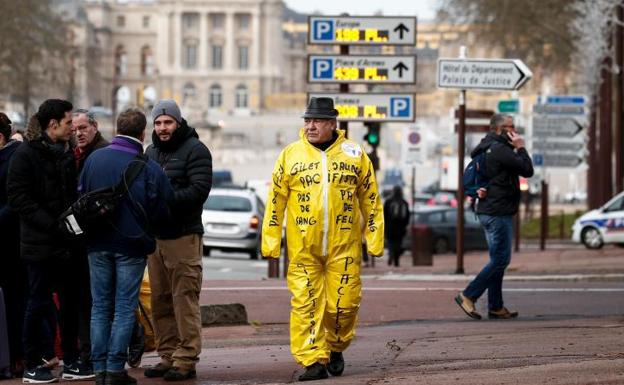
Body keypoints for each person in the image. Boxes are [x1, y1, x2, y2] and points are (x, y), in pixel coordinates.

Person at [261, 97, 384, 381]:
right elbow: (276, 200)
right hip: (304, 249)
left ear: (332, 124)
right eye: (307, 120)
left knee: (345, 304)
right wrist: (270, 240)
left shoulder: (354, 155)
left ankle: (336, 345)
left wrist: (374, 237)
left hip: (345, 247)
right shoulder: (291, 155)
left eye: (316, 121)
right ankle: (313, 360)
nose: (310, 126)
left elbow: (371, 199)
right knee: (306, 304)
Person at [79, 108, 172, 385]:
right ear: (143, 133)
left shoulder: (94, 159)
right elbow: (163, 207)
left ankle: (98, 369)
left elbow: (81, 195)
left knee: (99, 307)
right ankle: (115, 369)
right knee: (123, 307)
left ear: (117, 128)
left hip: (96, 243)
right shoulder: (147, 166)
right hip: (131, 246)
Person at [7, 99, 92, 383]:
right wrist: (53, 224)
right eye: (69, 122)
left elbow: (69, 198)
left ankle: (71, 361)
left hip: (66, 243)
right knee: (38, 302)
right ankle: (32, 363)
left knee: (70, 303)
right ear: (52, 124)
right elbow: (19, 198)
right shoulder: (25, 155)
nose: (73, 128)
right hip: (40, 244)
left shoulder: (65, 154)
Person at [143, 100, 212, 381]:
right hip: (156, 238)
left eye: (167, 122)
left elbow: (198, 191)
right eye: (158, 123)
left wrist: (163, 201)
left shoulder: (196, 150)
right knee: (159, 300)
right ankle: (167, 354)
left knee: (184, 299)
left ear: (178, 123)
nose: (162, 128)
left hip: (183, 236)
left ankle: (186, 358)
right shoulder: (151, 152)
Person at [455, 114, 534, 320]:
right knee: (501, 260)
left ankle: (496, 306)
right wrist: (521, 146)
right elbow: (527, 169)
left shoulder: (486, 147)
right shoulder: (500, 150)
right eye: (511, 127)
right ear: (499, 129)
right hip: (498, 212)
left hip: (488, 210)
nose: (515, 131)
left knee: (496, 260)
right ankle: (469, 295)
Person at [0, 112, 25, 377]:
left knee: (14, 301)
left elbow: (14, 200)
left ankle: (17, 356)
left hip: (10, 242)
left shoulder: (14, 157)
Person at [383, 185, 410, 267]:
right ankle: (396, 261)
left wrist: (385, 225)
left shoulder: (388, 201)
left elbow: (384, 214)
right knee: (398, 244)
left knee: (390, 242)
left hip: (390, 227)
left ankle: (391, 254)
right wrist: (405, 225)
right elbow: (407, 216)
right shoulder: (404, 202)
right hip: (400, 228)